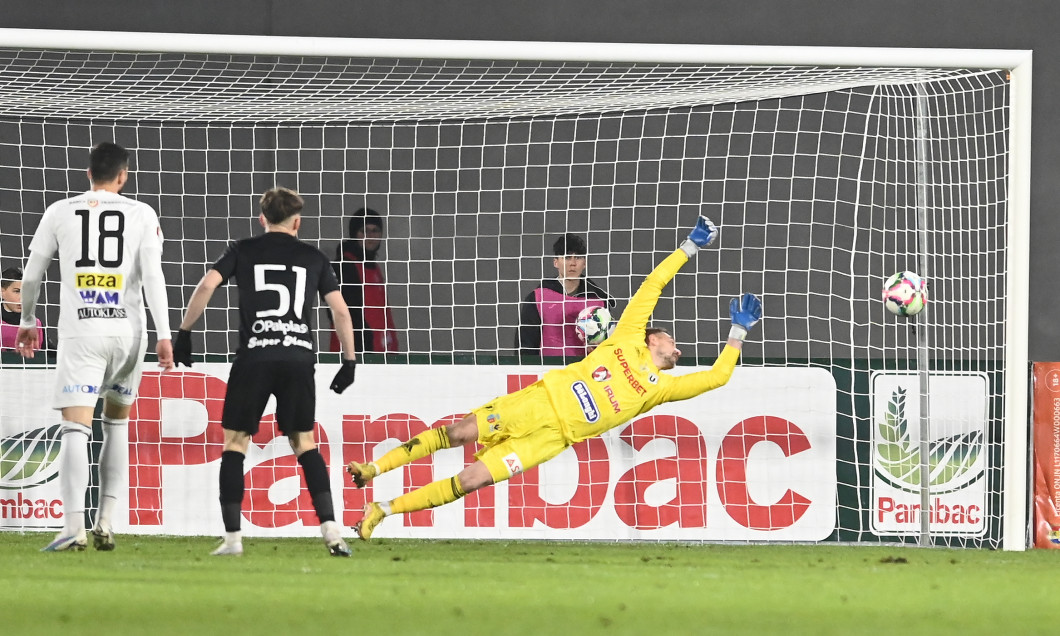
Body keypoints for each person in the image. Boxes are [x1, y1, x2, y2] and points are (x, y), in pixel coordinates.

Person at [347, 215, 762, 541]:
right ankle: (373, 468)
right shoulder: (627, 335)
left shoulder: (663, 389)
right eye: (674, 342)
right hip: (536, 404)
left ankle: (382, 509)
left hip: (549, 440)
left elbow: (717, 378)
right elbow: (654, 284)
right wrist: (689, 247)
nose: (680, 349)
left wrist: (737, 334)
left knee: (471, 480)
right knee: (457, 433)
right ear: (655, 338)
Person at [173, 186, 359, 557]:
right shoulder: (314, 257)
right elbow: (339, 311)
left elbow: (208, 284)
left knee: (235, 442)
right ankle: (332, 533)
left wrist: (185, 332)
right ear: (297, 222)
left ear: (262, 219)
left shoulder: (242, 250)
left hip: (255, 356)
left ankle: (232, 540)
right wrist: (349, 360)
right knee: (304, 442)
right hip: (298, 358)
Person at [14, 141, 174, 552]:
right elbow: (154, 277)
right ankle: (105, 520)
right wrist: (164, 333)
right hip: (129, 334)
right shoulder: (142, 213)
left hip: (82, 333)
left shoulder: (60, 210)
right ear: (123, 176)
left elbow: (31, 277)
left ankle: (72, 528)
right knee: (116, 424)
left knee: (75, 429)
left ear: (88, 173)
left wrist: (28, 320)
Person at [517, 233, 616, 360]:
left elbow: (610, 348)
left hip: (586, 375)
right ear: (556, 262)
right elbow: (525, 347)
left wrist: (598, 350)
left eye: (578, 257)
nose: (573, 263)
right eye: (567, 257)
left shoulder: (599, 302)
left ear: (584, 263)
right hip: (548, 373)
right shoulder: (538, 298)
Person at [330, 208, 399, 354]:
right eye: (364, 231)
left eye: (375, 230)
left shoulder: (372, 266)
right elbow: (346, 315)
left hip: (381, 354)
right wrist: (364, 353)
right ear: (355, 234)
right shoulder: (345, 266)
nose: (370, 236)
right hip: (357, 355)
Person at [1, 266, 44, 352]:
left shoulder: (36, 324)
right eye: (17, 291)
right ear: (1, 292)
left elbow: (51, 357)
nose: (22, 298)